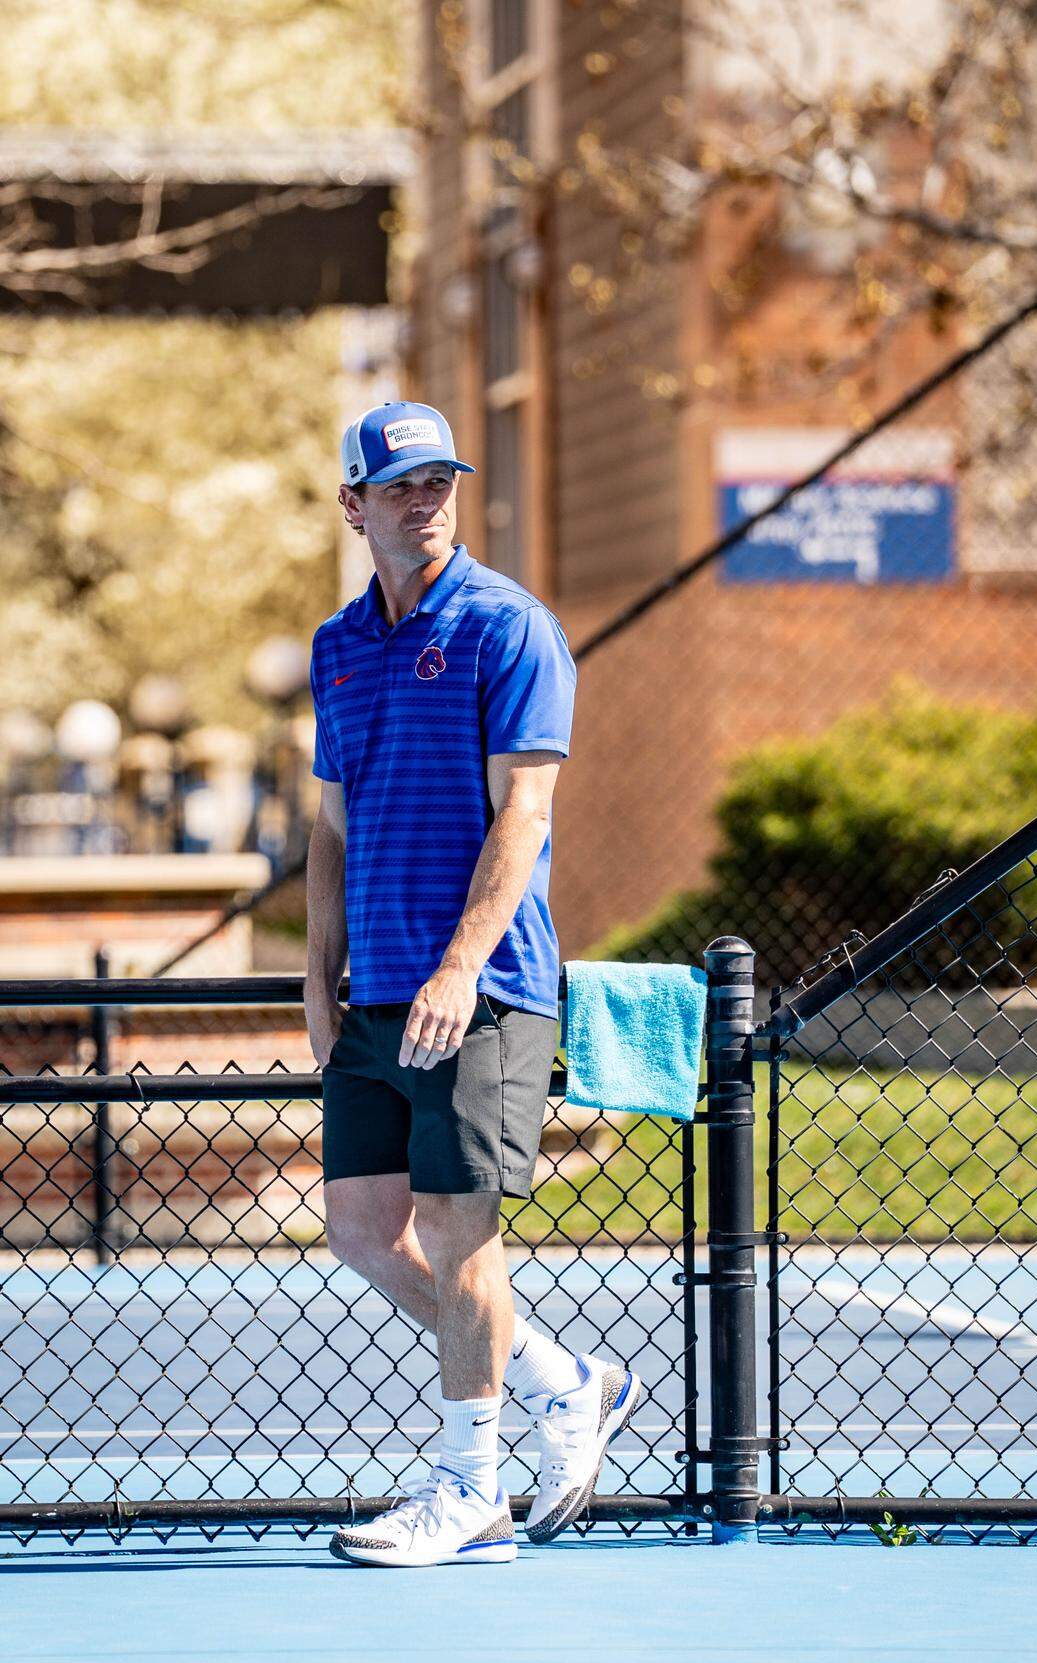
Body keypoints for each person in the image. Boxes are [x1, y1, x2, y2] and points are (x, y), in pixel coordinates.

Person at [304, 401, 641, 1567]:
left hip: (484, 989)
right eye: (398, 483)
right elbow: (333, 832)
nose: (424, 497)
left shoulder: (510, 626)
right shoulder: (337, 645)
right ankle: (560, 1380)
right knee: (359, 1229)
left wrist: (457, 966)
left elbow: (526, 813)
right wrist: (315, 979)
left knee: (457, 1233)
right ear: (354, 504)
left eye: (439, 478)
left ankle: (473, 1493)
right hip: (377, 995)